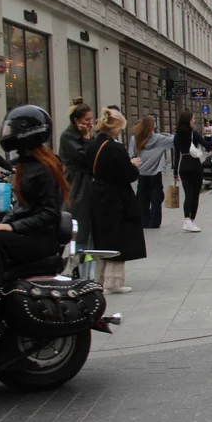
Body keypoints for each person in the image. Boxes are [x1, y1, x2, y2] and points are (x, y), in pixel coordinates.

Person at [0, 106, 72, 338]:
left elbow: (49, 213)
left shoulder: (43, 167)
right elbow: (23, 207)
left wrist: (11, 226)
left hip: (41, 239)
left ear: (27, 132)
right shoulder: (26, 163)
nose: (6, 133)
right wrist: (5, 221)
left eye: (12, 128)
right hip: (32, 233)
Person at [86, 108, 146, 292]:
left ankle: (100, 278)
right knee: (118, 237)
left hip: (98, 194)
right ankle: (113, 281)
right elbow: (127, 174)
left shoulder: (93, 144)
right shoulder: (114, 147)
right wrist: (132, 165)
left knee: (102, 237)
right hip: (116, 197)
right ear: (116, 128)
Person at [59, 99, 94, 253]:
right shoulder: (68, 136)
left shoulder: (84, 134)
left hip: (88, 180)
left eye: (91, 119)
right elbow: (85, 156)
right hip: (77, 183)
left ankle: (89, 259)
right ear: (76, 120)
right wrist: (87, 137)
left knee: (90, 223)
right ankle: (79, 260)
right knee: (80, 222)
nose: (90, 122)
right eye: (87, 119)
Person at [130, 115, 174, 228]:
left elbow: (130, 154)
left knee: (142, 198)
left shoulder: (135, 138)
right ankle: (155, 221)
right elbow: (174, 141)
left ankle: (143, 220)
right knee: (156, 198)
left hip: (141, 172)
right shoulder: (159, 139)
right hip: (155, 173)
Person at [172, 110, 209, 232]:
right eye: (193, 119)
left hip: (183, 166)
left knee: (188, 194)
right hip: (195, 166)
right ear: (188, 121)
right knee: (195, 195)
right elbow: (207, 145)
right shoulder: (194, 134)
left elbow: (176, 156)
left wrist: (175, 173)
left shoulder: (177, 136)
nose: (194, 120)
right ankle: (191, 221)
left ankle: (187, 220)